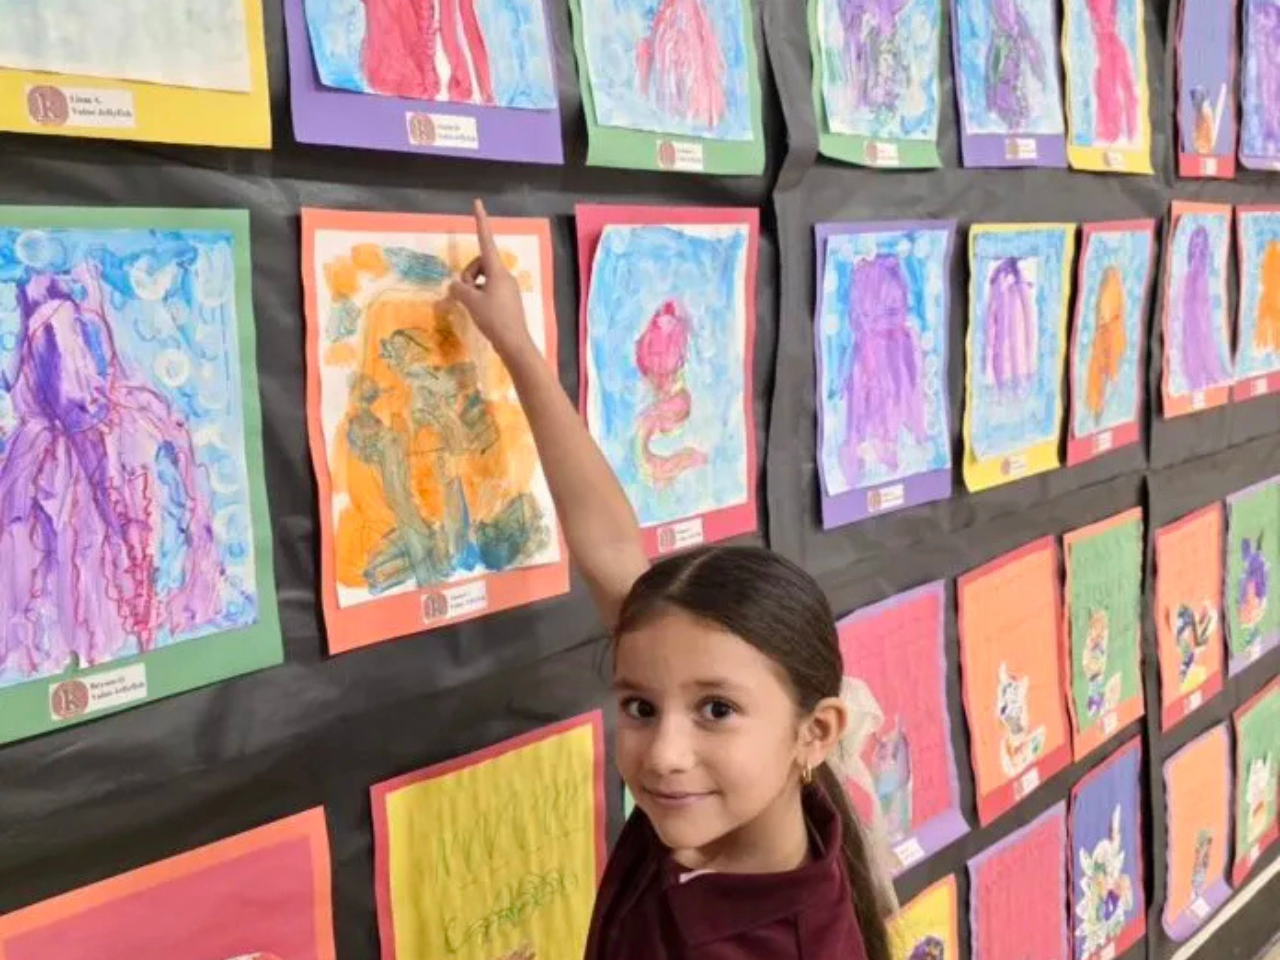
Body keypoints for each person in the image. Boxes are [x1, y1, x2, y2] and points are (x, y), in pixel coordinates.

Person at [449, 201, 895, 960]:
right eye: (640, 707)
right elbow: (607, 544)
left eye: (716, 710)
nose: (662, 753)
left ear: (814, 733)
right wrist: (516, 345)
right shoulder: (736, 808)